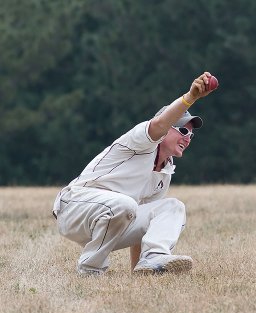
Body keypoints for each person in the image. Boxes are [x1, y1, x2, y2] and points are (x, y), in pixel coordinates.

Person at [52, 72, 216, 276]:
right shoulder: (141, 140)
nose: (188, 137)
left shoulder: (165, 171)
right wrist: (190, 98)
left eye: (191, 134)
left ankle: (153, 257)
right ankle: (90, 268)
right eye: (183, 130)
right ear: (166, 129)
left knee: (173, 207)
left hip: (109, 218)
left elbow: (143, 224)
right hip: (74, 207)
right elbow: (159, 124)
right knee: (126, 205)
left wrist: (137, 272)